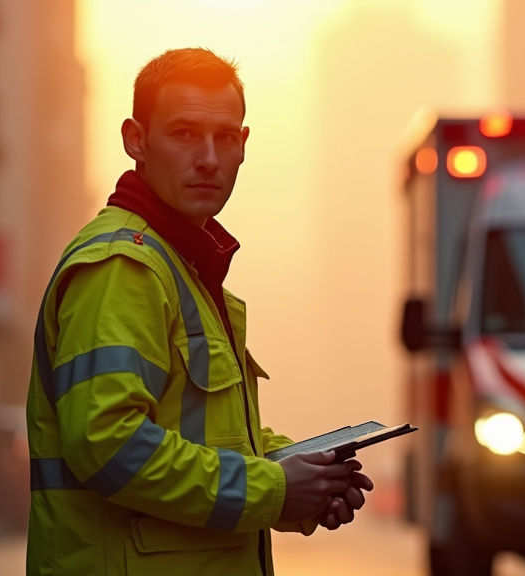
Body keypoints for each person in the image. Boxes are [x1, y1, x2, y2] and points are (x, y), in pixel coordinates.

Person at [25, 47, 372, 576]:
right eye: (184, 133)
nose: (208, 157)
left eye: (225, 137)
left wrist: (305, 474)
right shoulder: (124, 265)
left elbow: (205, 439)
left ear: (244, 145)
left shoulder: (179, 265)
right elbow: (108, 443)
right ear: (135, 140)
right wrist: (275, 490)